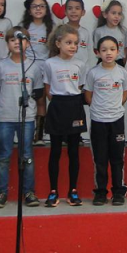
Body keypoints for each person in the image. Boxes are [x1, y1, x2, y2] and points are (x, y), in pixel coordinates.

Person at [0, 27, 44, 209]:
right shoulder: (0, 66)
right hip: (5, 117)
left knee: (27, 155)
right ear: (7, 43)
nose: (17, 43)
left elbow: (38, 94)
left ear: (28, 43)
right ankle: (1, 192)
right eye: (12, 39)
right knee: (4, 156)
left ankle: (29, 192)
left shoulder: (34, 67)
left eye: (21, 39)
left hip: (27, 118)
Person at [42, 24, 87, 207]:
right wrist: (59, 102)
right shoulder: (49, 63)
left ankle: (73, 191)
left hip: (74, 106)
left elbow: (80, 87)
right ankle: (53, 191)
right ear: (58, 43)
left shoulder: (80, 64)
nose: (72, 46)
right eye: (68, 42)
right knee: (55, 151)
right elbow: (48, 90)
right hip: (57, 107)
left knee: (74, 151)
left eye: (75, 43)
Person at [85, 36, 127, 206]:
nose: (108, 53)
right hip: (98, 121)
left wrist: (117, 106)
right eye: (104, 50)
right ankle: (101, 192)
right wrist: (98, 108)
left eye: (112, 49)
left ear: (118, 52)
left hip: (117, 120)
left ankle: (118, 191)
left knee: (117, 158)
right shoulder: (93, 73)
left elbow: (125, 92)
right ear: (97, 53)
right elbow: (88, 95)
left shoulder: (122, 72)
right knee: (100, 159)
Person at [20, 0, 53, 145]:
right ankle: (24, 134)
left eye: (42, 6)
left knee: (41, 100)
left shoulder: (51, 27)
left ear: (46, 9)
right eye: (35, 6)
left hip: (45, 68)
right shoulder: (23, 27)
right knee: (26, 100)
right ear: (29, 10)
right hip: (27, 68)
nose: (38, 9)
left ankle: (39, 135)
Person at [92, 0, 127, 67]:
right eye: (113, 13)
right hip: (103, 63)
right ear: (105, 14)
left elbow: (125, 50)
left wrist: (122, 65)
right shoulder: (98, 31)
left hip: (118, 63)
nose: (116, 16)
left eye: (119, 14)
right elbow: (96, 49)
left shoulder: (124, 31)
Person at [65, 0, 92, 72]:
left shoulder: (85, 33)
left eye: (77, 8)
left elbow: (89, 53)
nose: (73, 11)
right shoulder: (61, 31)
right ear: (65, 12)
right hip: (66, 70)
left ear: (83, 12)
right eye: (70, 8)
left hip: (83, 71)